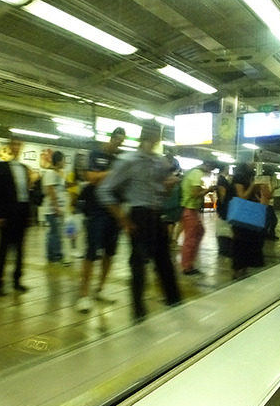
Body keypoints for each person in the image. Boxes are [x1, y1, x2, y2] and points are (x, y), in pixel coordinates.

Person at [97, 120, 181, 322]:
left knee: (164, 262)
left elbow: (161, 193)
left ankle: (175, 303)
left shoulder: (160, 162)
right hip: (139, 215)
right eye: (153, 132)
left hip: (155, 215)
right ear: (147, 134)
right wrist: (123, 219)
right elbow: (104, 190)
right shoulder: (128, 161)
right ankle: (138, 311)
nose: (155, 136)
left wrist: (168, 186)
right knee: (139, 264)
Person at [74, 127, 125, 313]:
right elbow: (91, 177)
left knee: (110, 252)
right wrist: (111, 174)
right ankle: (83, 294)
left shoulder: (119, 160)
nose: (118, 145)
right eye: (117, 141)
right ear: (112, 138)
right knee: (91, 251)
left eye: (121, 142)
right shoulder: (96, 155)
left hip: (115, 210)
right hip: (96, 211)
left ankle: (101, 288)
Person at [0, 135, 35, 295]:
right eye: (14, 144)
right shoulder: (1, 168)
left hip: (22, 211)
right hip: (7, 212)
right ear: (9, 146)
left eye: (19, 144)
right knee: (3, 248)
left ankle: (17, 279)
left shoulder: (24, 169)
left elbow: (27, 193)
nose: (16, 147)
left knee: (20, 249)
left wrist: (29, 214)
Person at [179, 161, 216, 275]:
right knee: (190, 238)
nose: (209, 172)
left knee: (198, 232)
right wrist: (208, 190)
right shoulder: (197, 173)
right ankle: (187, 266)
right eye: (211, 169)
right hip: (190, 209)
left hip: (190, 209)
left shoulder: (192, 172)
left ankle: (189, 263)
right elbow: (195, 194)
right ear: (207, 165)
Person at [231, 162, 266, 278]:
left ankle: (244, 269)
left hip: (249, 214)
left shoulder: (248, 176)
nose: (254, 164)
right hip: (242, 214)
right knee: (240, 243)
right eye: (252, 161)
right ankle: (238, 270)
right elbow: (242, 196)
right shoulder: (239, 177)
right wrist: (252, 185)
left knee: (248, 242)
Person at [42, 151, 68, 264]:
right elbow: (51, 190)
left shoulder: (58, 173)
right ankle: (55, 255)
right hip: (52, 209)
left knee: (55, 232)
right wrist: (56, 206)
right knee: (54, 232)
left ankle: (53, 254)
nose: (65, 162)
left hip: (58, 208)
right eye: (63, 160)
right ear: (58, 161)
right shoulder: (50, 173)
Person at [215, 164, 234, 257]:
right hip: (224, 207)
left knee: (224, 227)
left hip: (224, 207)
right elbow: (222, 195)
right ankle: (224, 249)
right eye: (228, 168)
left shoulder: (222, 179)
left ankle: (224, 248)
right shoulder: (222, 180)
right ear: (225, 169)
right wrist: (224, 204)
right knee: (224, 228)